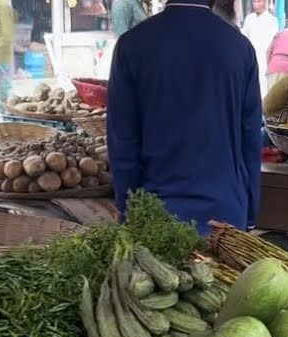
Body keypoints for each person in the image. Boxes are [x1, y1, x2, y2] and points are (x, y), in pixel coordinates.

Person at [107, 0, 261, 234]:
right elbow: (251, 139)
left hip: (157, 216)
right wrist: (250, 213)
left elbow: (123, 143)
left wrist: (127, 208)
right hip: (225, 215)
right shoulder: (240, 48)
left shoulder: (131, 45)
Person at [242, 0, 278, 97]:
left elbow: (272, 40)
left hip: (263, 55)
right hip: (249, 54)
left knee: (262, 81)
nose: (256, 5)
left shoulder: (272, 20)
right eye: (254, 2)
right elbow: (244, 36)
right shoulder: (249, 19)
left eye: (258, 2)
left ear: (264, 2)